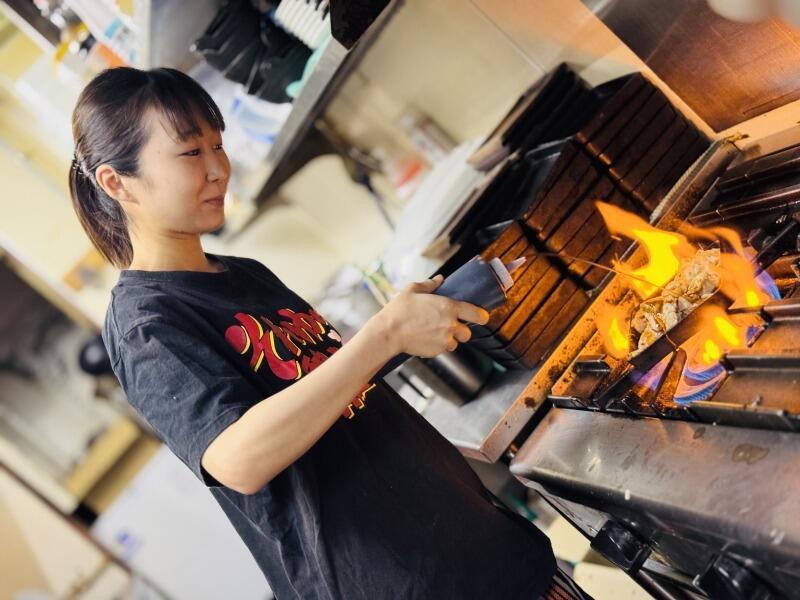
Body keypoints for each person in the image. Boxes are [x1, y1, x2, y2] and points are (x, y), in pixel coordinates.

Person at [69, 66, 589, 600]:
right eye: (189, 153)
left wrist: (401, 330)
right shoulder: (145, 325)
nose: (218, 168)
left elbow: (332, 393)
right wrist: (382, 335)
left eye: (217, 145)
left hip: (492, 556)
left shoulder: (243, 274)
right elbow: (237, 459)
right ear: (117, 182)